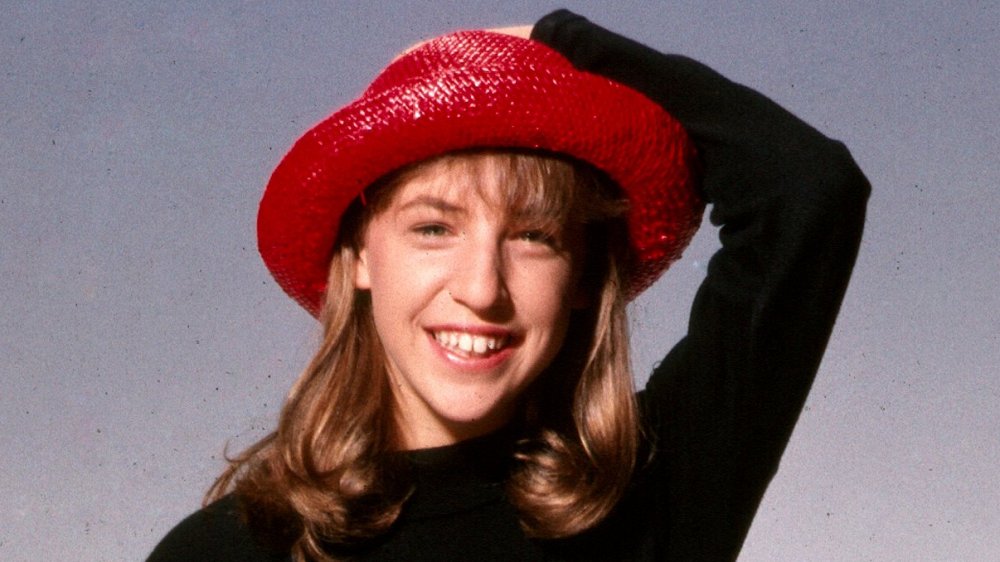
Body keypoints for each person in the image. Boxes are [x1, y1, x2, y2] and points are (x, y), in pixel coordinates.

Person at [149, 9, 869, 562]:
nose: (482, 288)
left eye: (534, 236)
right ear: (360, 257)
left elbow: (809, 190)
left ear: (586, 272)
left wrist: (563, 43)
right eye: (434, 228)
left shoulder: (648, 499)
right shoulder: (229, 551)